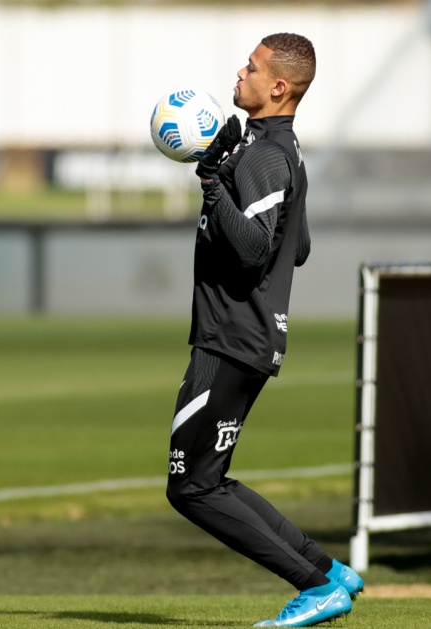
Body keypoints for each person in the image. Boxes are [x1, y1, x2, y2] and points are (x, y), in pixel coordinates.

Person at [165, 33, 364, 628]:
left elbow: (255, 250)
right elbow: (296, 246)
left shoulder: (266, 156)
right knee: (209, 476)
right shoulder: (276, 151)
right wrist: (228, 172)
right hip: (243, 335)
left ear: (278, 86)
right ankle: (328, 572)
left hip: (231, 337)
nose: (240, 73)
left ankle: (312, 585)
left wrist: (212, 182)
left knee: (191, 486)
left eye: (250, 67)